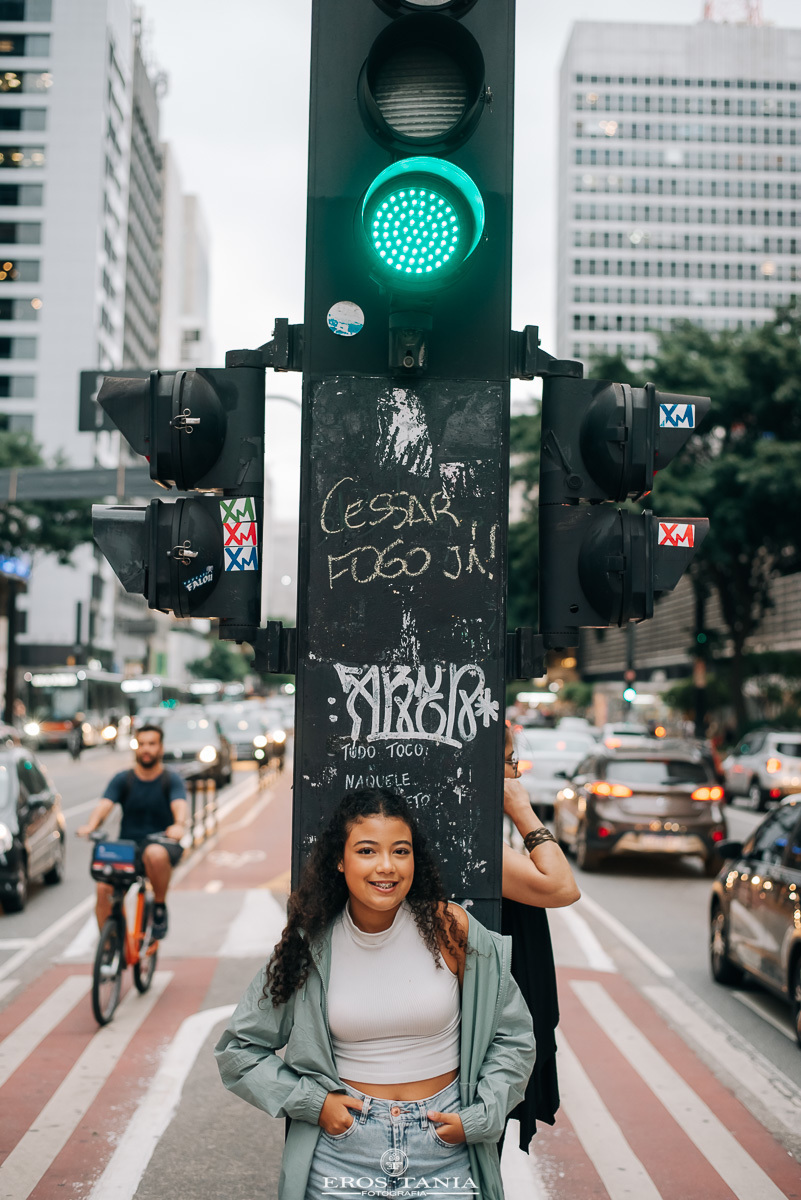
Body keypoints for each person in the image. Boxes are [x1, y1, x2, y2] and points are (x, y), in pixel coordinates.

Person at [216, 788, 536, 1200]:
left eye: (400, 851)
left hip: (444, 1150)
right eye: (367, 851)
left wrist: (481, 1117)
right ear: (340, 859)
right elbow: (239, 1050)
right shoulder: (312, 944)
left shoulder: (450, 928)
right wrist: (314, 1104)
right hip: (343, 1152)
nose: (387, 866)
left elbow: (514, 1035)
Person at [499, 723, 580, 1153]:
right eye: (510, 762)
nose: (517, 773)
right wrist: (523, 811)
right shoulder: (477, 845)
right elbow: (563, 887)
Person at [77, 724, 187, 940]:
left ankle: (159, 907)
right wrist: (91, 825)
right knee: (103, 888)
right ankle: (109, 947)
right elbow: (104, 805)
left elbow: (179, 805)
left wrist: (179, 824)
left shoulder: (171, 779)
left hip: (162, 844)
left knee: (154, 853)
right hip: (128, 849)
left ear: (161, 748)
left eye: (151, 744)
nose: (146, 749)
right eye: (141, 744)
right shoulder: (123, 778)